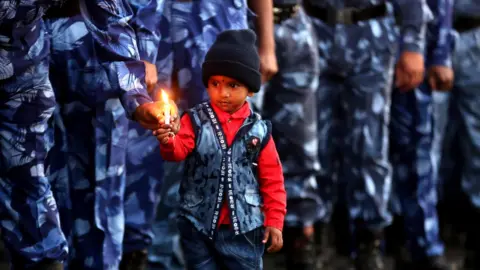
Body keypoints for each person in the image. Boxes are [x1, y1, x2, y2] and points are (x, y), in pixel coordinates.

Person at [146, 1, 277, 268]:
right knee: (154, 145)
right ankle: (156, 257)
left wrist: (267, 45)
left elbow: (269, 175)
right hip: (154, 22)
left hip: (215, 22)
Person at [301, 0, 430, 269]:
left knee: (370, 147)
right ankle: (315, 237)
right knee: (314, 145)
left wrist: (413, 45)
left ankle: (370, 242)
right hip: (313, 33)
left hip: (370, 37)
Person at [388, 0, 454, 268]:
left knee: (417, 151)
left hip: (412, 48)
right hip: (350, 38)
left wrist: (439, 54)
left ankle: (424, 244)